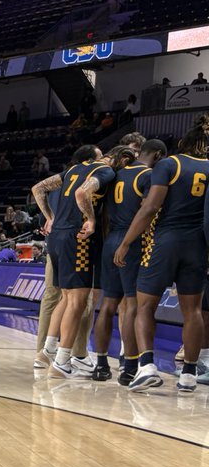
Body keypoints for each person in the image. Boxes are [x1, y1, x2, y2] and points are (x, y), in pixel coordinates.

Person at [114, 115, 209, 392]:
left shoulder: (169, 163)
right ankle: (189, 374)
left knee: (144, 307)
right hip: (197, 246)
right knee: (193, 312)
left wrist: (126, 242)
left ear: (183, 142)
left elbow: (150, 208)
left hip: (164, 242)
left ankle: (146, 366)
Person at [30, 146, 116, 376]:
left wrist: (50, 217)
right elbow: (82, 193)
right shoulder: (104, 171)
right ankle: (63, 361)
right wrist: (90, 219)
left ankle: (47, 352)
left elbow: (38, 189)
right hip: (77, 238)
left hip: (56, 236)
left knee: (65, 297)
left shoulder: (72, 170)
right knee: (78, 299)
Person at [91, 141, 164, 384]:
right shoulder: (149, 175)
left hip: (110, 238)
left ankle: (101, 365)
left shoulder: (116, 174)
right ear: (158, 155)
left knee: (108, 305)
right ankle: (130, 367)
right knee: (133, 305)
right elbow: (149, 210)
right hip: (132, 241)